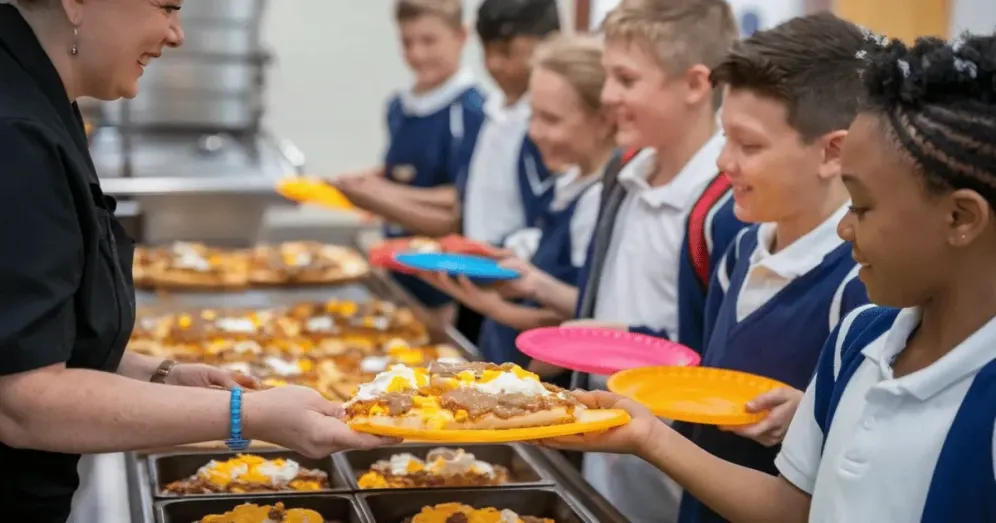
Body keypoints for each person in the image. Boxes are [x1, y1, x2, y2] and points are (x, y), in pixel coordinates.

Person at [539, 31, 996, 523]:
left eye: (860, 207)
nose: (845, 227)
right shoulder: (856, 341)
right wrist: (646, 435)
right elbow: (791, 506)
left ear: (960, 218)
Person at [0, 2, 392, 521]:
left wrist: (160, 374)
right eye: (165, 6)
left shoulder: (44, 97)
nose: (176, 34)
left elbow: (32, 336)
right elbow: (23, 402)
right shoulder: (15, 132)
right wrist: (246, 414)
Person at [551, 1, 744, 521]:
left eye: (626, 79)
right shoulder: (626, 171)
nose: (608, 94)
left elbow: (722, 360)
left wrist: (612, 334)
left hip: (674, 473)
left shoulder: (729, 206)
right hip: (603, 451)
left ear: (694, 84)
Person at [675, 14, 870, 523]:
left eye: (750, 145)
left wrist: (809, 416)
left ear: (834, 151)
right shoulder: (738, 247)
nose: (722, 161)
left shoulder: (859, 283)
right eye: (724, 137)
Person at [420, 35, 614, 385]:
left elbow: (588, 315)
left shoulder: (599, 203)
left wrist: (496, 307)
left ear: (603, 120)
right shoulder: (566, 181)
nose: (535, 133)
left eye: (551, 119)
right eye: (532, 117)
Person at [332, 0, 486, 326]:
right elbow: (404, 171)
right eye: (407, 42)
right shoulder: (399, 107)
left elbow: (460, 198)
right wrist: (367, 180)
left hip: (442, 283)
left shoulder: (471, 112)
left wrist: (378, 194)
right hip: (396, 265)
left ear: (461, 36)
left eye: (429, 41)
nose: (417, 54)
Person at [453, 0, 561, 343]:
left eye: (508, 51)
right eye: (487, 51)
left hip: (522, 291)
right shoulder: (495, 111)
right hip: (479, 277)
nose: (494, 64)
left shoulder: (542, 129)